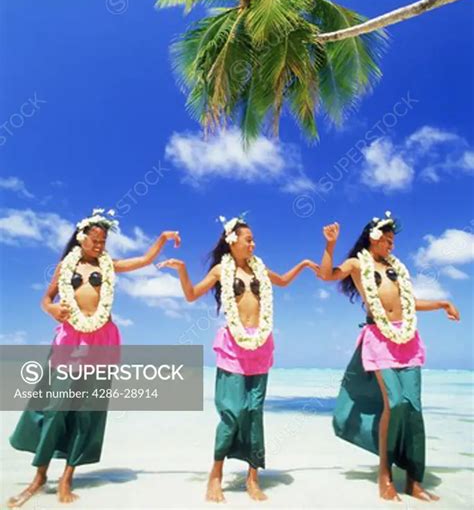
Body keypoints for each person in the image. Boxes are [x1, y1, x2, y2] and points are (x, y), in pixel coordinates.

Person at [7, 208, 180, 507]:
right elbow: (46, 299)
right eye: (95, 239)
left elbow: (143, 261)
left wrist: (162, 238)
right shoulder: (66, 266)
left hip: (102, 341)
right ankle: (40, 475)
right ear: (81, 238)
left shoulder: (109, 266)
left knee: (87, 411)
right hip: (70, 341)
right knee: (55, 407)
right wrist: (51, 310)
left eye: (103, 240)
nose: (100, 245)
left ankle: (67, 477)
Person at [159, 214, 319, 503]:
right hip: (233, 346)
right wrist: (182, 269)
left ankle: (253, 477)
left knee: (254, 412)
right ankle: (216, 474)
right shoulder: (222, 270)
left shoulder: (260, 269)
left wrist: (305, 265)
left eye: (254, 239)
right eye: (248, 239)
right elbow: (192, 295)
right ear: (232, 241)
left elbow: (281, 281)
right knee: (232, 413)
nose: (253, 243)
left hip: (261, 346)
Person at [317, 213, 460, 502]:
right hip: (379, 339)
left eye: (394, 241)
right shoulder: (358, 263)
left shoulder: (396, 269)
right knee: (394, 403)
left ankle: (413, 480)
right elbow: (327, 275)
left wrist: (442, 302)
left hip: (407, 339)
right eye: (388, 240)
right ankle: (384, 473)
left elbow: (408, 303)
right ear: (374, 237)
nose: (392, 245)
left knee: (413, 408)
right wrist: (330, 246)